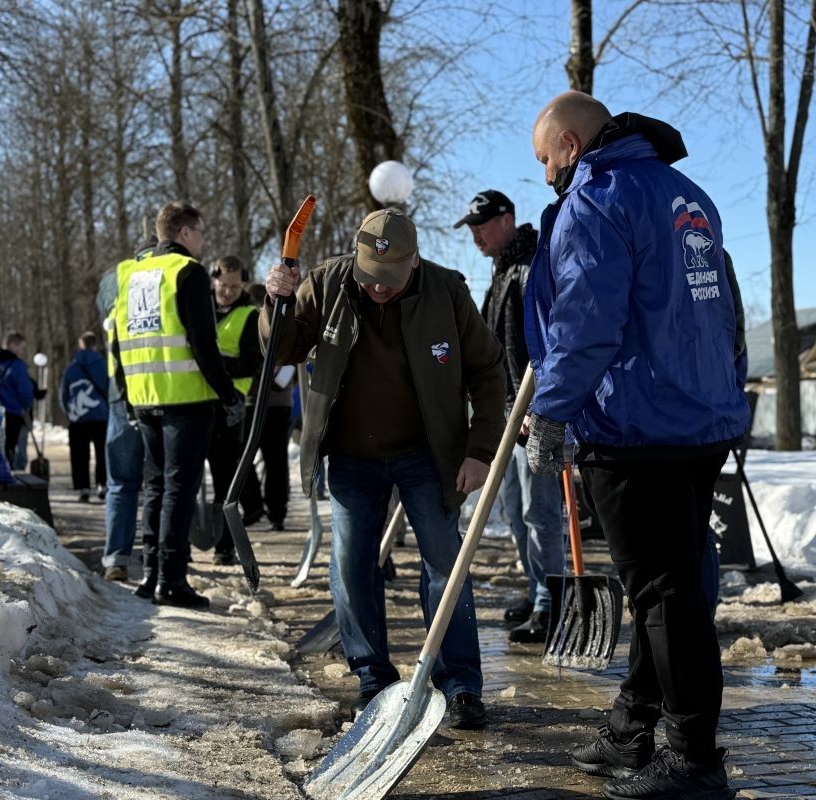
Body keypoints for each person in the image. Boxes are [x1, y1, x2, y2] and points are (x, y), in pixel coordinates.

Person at [524, 92, 749, 799]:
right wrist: (726, 393)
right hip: (699, 421)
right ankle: (632, 727)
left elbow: (586, 321)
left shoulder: (597, 199)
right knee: (669, 587)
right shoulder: (688, 195)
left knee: (663, 594)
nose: (545, 176)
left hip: (633, 424)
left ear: (569, 143)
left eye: (545, 159)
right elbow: (726, 311)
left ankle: (692, 759)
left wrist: (551, 411)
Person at [261, 208, 506, 729]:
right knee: (351, 567)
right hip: (351, 455)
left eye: (390, 279)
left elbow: (488, 369)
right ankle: (372, 678)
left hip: (429, 454)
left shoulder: (446, 291)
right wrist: (275, 301)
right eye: (370, 276)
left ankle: (461, 683)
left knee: (445, 565)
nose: (378, 288)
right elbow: (280, 349)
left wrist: (479, 450)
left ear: (414, 261)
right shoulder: (327, 283)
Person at [112, 202, 245, 608]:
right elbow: (203, 343)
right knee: (179, 490)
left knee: (155, 487)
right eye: (201, 232)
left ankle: (151, 574)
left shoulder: (130, 274)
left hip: (144, 396)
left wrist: (126, 393)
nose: (203, 241)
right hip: (185, 399)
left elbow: (117, 342)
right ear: (185, 232)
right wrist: (228, 394)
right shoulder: (187, 272)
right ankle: (171, 580)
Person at [454, 189, 564, 644]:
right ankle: (537, 587)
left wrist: (539, 405)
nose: (476, 236)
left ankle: (552, 600)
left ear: (507, 220)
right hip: (508, 410)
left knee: (540, 511)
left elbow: (549, 339)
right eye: (472, 229)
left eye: (482, 226)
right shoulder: (501, 270)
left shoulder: (534, 264)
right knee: (517, 510)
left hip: (533, 409)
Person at [98, 237, 154, 582]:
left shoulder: (114, 278)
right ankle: (156, 557)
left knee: (121, 481)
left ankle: (116, 559)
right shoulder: (172, 272)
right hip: (164, 392)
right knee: (161, 482)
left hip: (121, 392)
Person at [208, 255, 261, 565]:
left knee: (225, 480)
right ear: (213, 280)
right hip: (196, 401)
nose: (227, 291)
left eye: (234, 286)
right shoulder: (201, 308)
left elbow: (252, 364)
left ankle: (224, 545)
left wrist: (216, 366)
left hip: (230, 406)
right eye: (223, 285)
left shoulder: (249, 316)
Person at [238, 280, 295, 533]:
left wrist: (270, 376)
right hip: (254, 401)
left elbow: (289, 364)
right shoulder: (247, 325)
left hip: (275, 403)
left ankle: (274, 511)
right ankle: (259, 508)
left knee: (274, 460)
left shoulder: (279, 324)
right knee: (250, 457)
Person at [0, 331, 40, 468]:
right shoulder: (16, 365)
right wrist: (26, 405)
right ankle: (7, 475)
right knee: (8, 450)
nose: (22, 352)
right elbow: (25, 391)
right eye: (21, 347)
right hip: (10, 413)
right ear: (11, 345)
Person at [59, 331, 109, 503]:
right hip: (101, 417)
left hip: (78, 418)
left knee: (79, 455)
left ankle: (83, 488)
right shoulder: (104, 365)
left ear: (81, 345)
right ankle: (103, 484)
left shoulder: (71, 368)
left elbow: (63, 394)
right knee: (103, 453)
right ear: (95, 345)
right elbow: (111, 389)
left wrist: (69, 412)